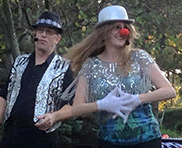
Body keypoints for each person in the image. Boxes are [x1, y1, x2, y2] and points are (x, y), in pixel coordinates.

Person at [39, 5, 176, 148]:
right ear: (104, 33)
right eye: (116, 27)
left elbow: (169, 91)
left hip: (147, 140)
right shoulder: (91, 65)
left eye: (125, 27)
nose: (122, 31)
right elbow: (77, 108)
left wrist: (137, 99)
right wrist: (102, 104)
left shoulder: (139, 58)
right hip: (109, 142)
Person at [0, 11, 74, 148]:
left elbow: (71, 105)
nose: (43, 35)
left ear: (57, 39)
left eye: (49, 32)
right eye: (40, 30)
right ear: (35, 34)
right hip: (11, 135)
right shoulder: (19, 63)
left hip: (41, 138)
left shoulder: (63, 67)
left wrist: (54, 116)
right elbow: (3, 97)